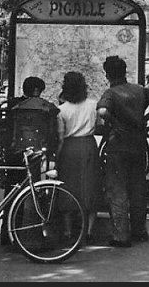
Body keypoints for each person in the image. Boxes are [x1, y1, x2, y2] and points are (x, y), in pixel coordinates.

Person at [97, 55, 149, 247]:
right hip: (138, 144)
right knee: (138, 187)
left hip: (118, 144)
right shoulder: (139, 90)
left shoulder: (110, 93)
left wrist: (112, 120)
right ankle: (139, 231)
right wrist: (146, 117)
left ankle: (121, 236)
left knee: (117, 188)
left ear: (108, 74)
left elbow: (102, 111)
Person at [1, 76, 59, 245]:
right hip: (32, 156)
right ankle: (30, 238)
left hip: (13, 154)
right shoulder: (40, 108)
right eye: (40, 92)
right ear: (35, 91)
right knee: (32, 196)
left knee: (11, 194)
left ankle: (8, 234)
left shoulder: (14, 105)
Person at [56, 71, 101, 242]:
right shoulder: (92, 105)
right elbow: (99, 125)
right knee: (90, 186)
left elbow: (60, 137)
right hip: (89, 146)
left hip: (69, 149)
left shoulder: (62, 110)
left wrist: (57, 159)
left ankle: (68, 231)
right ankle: (88, 231)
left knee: (67, 188)